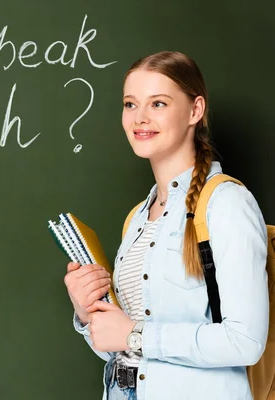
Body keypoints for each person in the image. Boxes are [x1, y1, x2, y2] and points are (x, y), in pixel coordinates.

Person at [64, 51, 269, 400]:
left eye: (158, 103)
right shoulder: (137, 219)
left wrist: (135, 334)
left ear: (195, 110)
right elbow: (123, 350)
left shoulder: (226, 204)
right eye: (130, 104)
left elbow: (245, 342)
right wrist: (88, 317)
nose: (140, 118)